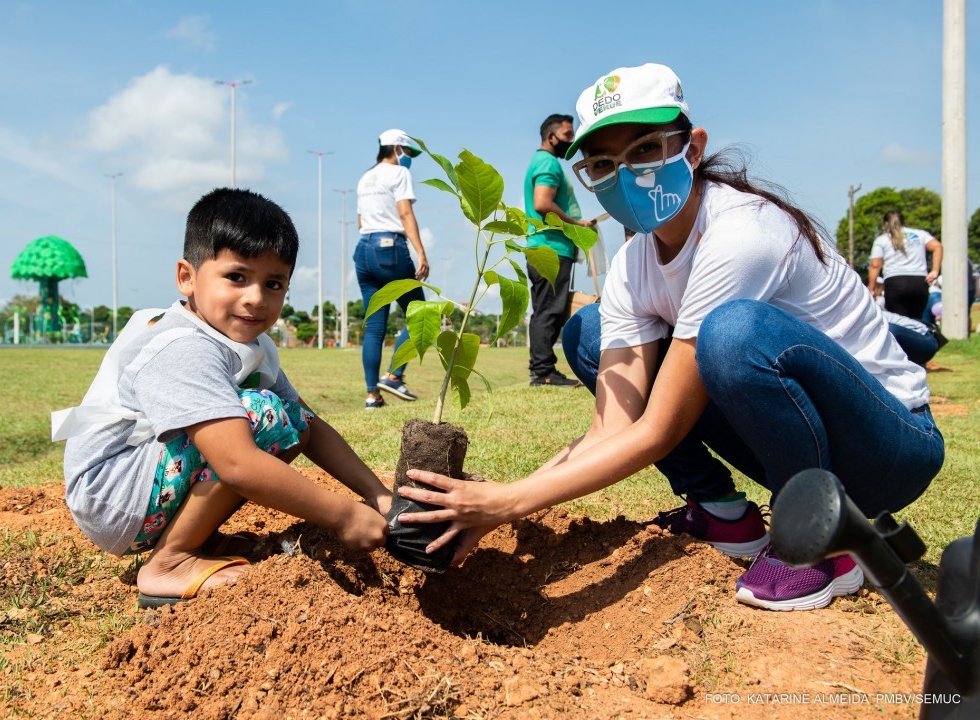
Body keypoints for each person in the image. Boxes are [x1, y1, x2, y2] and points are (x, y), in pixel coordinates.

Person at [393, 63, 944, 612]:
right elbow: (613, 426)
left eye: (646, 150)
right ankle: (723, 512)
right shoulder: (634, 262)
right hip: (799, 431)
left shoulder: (741, 233)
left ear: (694, 148)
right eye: (604, 164)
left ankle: (819, 542)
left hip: (888, 446)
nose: (626, 174)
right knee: (589, 330)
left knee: (732, 334)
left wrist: (507, 503)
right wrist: (492, 505)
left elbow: (657, 430)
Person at [54, 188, 391, 607]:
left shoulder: (252, 343)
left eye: (273, 283)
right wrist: (344, 515)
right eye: (237, 277)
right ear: (187, 277)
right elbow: (235, 463)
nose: (256, 298)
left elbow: (310, 426)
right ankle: (170, 563)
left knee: (289, 419)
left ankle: (196, 538)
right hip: (115, 496)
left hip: (146, 482)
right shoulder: (183, 345)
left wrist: (378, 494)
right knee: (261, 416)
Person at [355, 129, 431, 409]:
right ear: (397, 148)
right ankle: (394, 375)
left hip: (363, 250)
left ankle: (372, 396)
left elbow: (361, 222)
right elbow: (405, 213)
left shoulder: (365, 177)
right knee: (419, 316)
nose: (410, 159)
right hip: (390, 247)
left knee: (374, 328)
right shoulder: (400, 173)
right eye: (409, 153)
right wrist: (420, 252)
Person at [524, 113, 596, 387]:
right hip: (550, 248)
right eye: (567, 136)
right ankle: (543, 373)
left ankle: (542, 370)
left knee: (546, 309)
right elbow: (542, 203)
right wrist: (576, 223)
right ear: (551, 137)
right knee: (549, 311)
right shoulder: (547, 162)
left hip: (547, 248)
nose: (572, 140)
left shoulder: (543, 161)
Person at [868, 210, 942, 320]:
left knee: (900, 322)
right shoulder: (920, 234)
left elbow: (875, 265)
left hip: (895, 283)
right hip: (919, 282)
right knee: (917, 320)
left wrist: (871, 288)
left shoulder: (882, 239)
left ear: (885, 224)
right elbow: (937, 246)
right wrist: (935, 270)